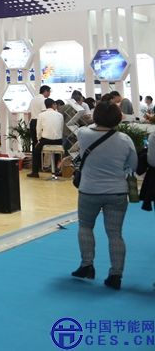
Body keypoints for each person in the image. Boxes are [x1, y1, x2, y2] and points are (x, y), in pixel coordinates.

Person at [71, 101, 137, 290]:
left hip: (89, 190)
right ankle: (116, 275)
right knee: (115, 234)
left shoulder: (84, 134)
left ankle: (87, 266)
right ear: (118, 118)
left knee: (85, 227)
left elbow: (87, 129)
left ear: (95, 116)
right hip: (117, 192)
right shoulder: (125, 139)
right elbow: (132, 166)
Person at [28, 98, 66, 178]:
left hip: (46, 140)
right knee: (56, 152)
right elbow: (61, 128)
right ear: (53, 105)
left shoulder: (41, 115)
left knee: (36, 151)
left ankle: (35, 172)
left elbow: (38, 130)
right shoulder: (60, 115)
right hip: (58, 140)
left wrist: (38, 140)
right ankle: (56, 170)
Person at [28, 85, 51, 152]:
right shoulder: (44, 100)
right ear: (45, 91)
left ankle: (35, 158)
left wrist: (28, 124)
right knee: (41, 142)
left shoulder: (33, 99)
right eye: (49, 92)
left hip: (32, 122)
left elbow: (29, 113)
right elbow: (44, 113)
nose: (49, 94)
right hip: (40, 123)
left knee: (34, 142)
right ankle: (40, 158)